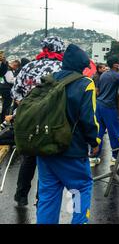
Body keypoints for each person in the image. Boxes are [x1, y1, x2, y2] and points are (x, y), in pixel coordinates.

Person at [36, 44, 100, 224]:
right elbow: (89, 120)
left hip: (45, 150)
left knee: (48, 196)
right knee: (80, 190)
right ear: (83, 65)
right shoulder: (85, 84)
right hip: (72, 151)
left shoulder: (48, 80)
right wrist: (94, 142)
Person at [11, 36, 65, 207]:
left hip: (28, 121)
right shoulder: (62, 67)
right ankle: (41, 199)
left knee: (28, 158)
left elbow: (15, 92)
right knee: (47, 159)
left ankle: (21, 196)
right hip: (53, 121)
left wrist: (28, 108)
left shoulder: (28, 66)